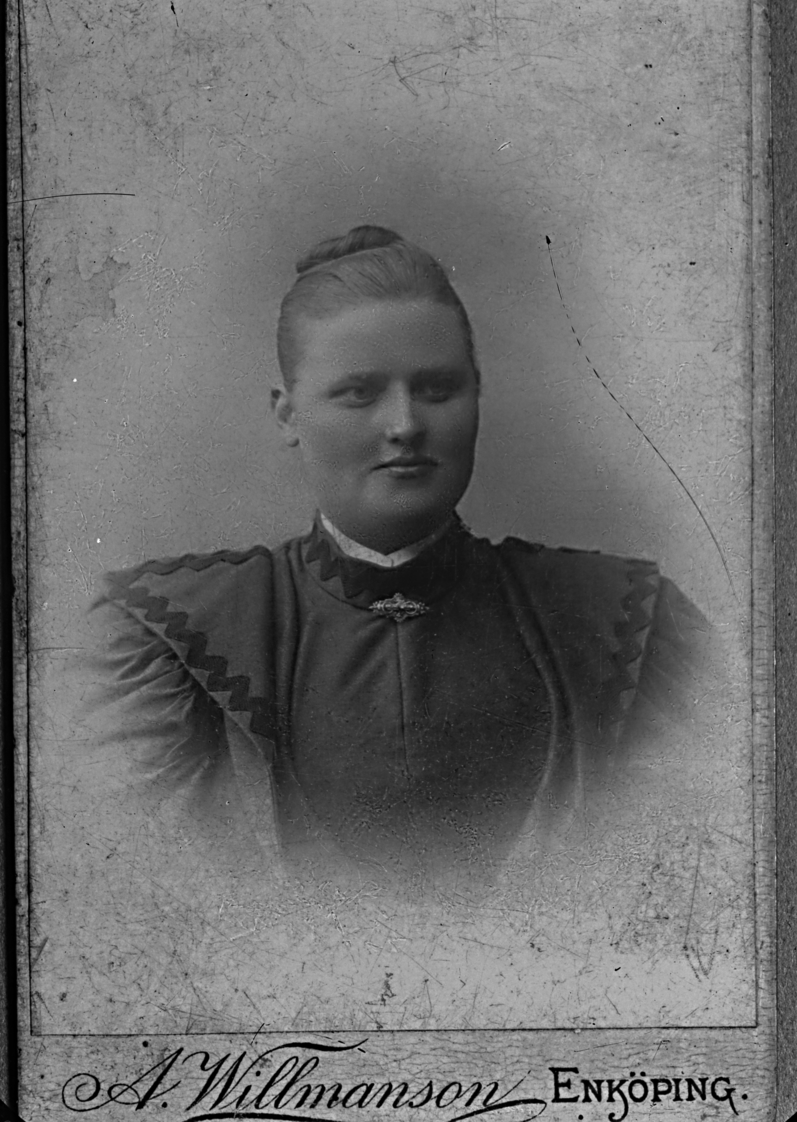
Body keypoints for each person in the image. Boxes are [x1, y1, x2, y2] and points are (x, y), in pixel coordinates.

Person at [86, 225, 721, 899]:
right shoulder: (169, 635)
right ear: (287, 415)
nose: (406, 424)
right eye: (359, 393)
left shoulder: (626, 622)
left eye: (438, 388)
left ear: (476, 395)